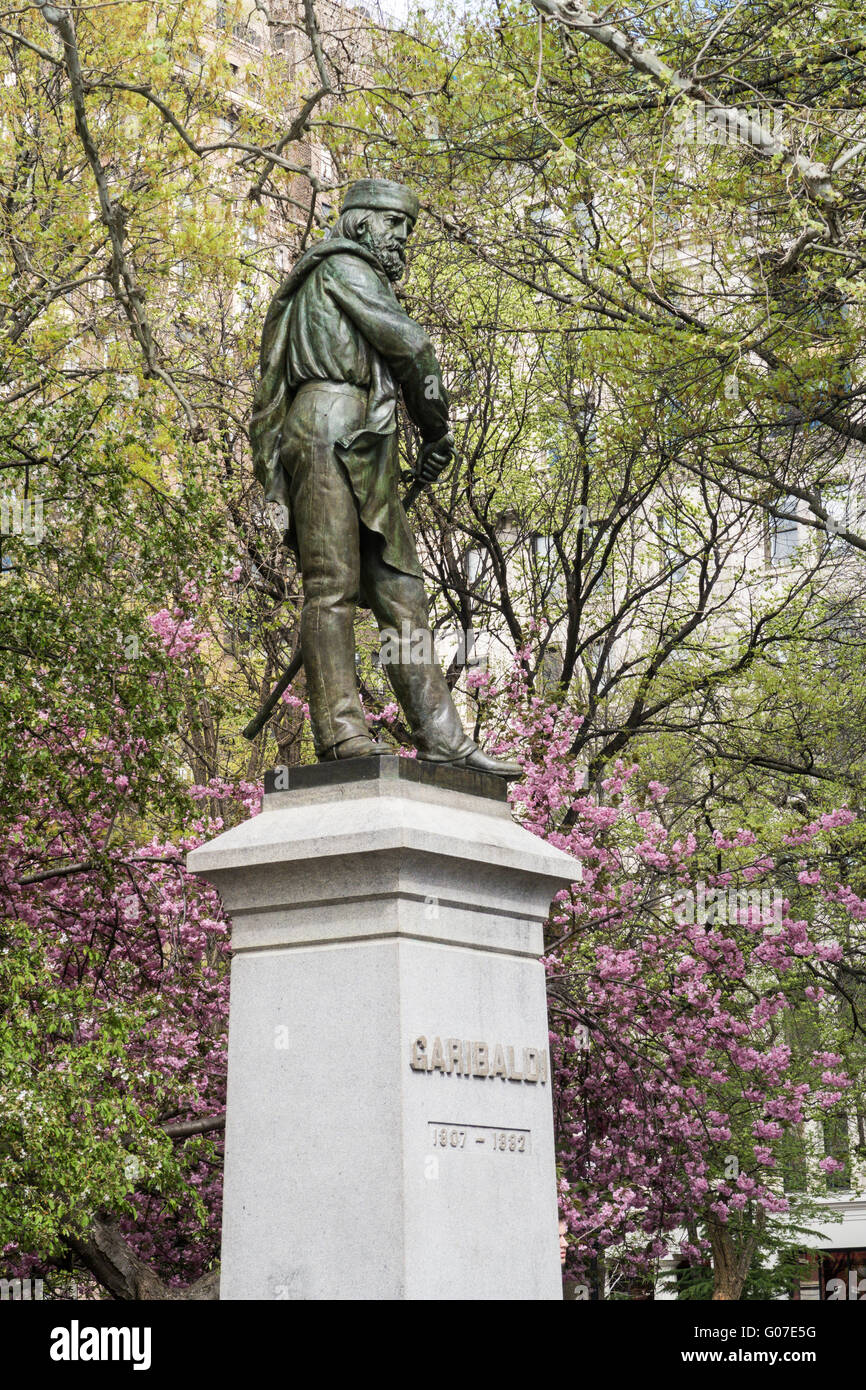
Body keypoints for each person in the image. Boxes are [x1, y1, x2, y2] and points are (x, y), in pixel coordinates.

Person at [251, 178, 520, 776]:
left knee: (401, 591)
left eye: (408, 227)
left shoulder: (344, 272)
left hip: (362, 439)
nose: (402, 238)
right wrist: (435, 428)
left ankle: (441, 735)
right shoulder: (343, 266)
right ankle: (342, 733)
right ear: (359, 221)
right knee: (334, 585)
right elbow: (412, 348)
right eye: (393, 223)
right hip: (326, 427)